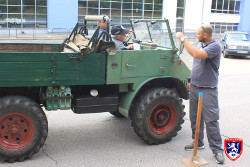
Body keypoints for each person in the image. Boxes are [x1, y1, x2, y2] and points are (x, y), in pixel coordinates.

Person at [176, 24, 225, 164]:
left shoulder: (215, 46)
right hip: (196, 88)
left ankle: (217, 150)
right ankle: (198, 142)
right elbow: (197, 62)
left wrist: (183, 39)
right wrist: (191, 80)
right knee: (195, 118)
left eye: (198, 34)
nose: (196, 36)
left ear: (205, 35)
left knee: (211, 120)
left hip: (208, 89)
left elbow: (197, 55)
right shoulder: (202, 46)